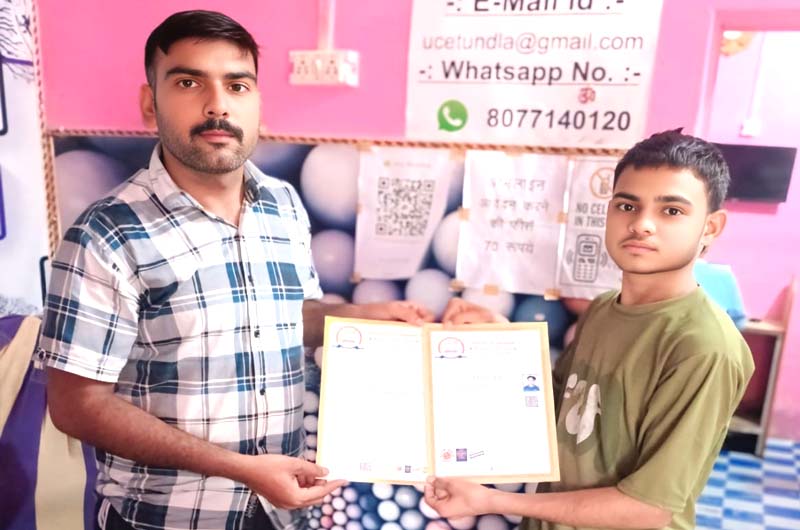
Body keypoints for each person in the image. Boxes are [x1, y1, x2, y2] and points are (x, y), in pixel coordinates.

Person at [36, 10, 436, 530]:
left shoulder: (282, 204)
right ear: (149, 103)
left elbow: (283, 317)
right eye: (188, 82)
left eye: (237, 85)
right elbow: (77, 406)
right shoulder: (107, 233)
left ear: (257, 102)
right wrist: (241, 469)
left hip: (283, 510)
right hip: (166, 518)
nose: (218, 105)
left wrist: (365, 317)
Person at [425, 130, 755, 530]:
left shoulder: (705, 347)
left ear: (711, 228)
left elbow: (648, 509)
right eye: (627, 205)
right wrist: (502, 339)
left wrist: (490, 499)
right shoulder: (602, 309)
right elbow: (555, 407)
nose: (642, 224)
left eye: (671, 210)